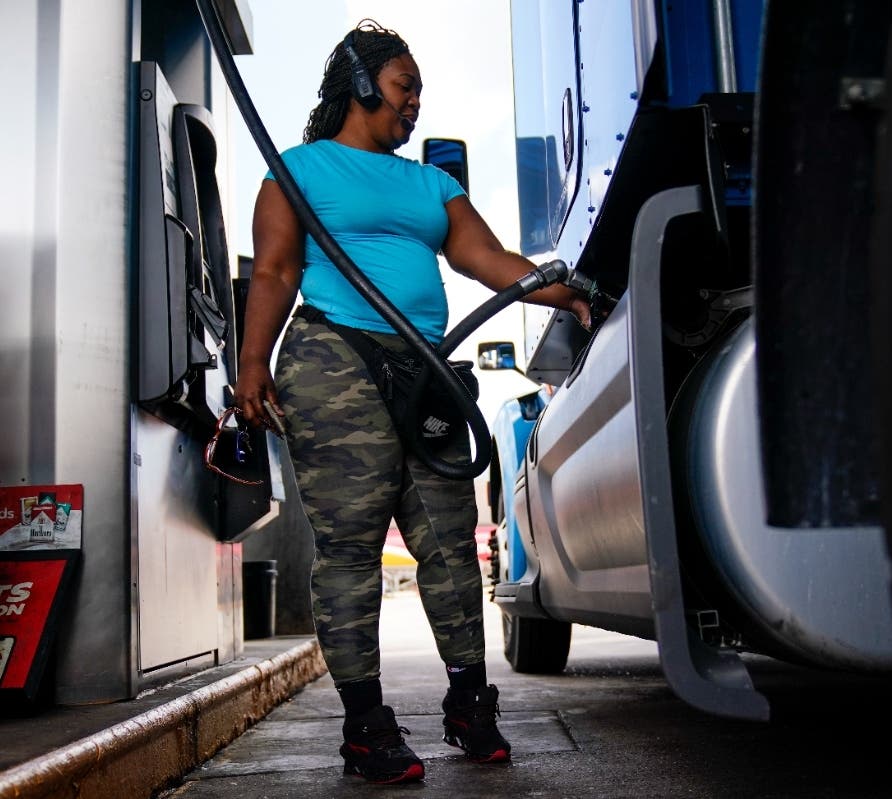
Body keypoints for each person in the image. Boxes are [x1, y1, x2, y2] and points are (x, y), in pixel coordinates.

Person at [233, 20, 591, 785]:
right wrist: (251, 363)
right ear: (361, 86)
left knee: (450, 542)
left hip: (424, 370)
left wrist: (574, 294)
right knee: (353, 546)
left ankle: (469, 704)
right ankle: (365, 725)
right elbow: (274, 271)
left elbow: (488, 259)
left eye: (418, 89)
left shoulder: (434, 182)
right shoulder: (296, 169)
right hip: (334, 357)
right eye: (405, 86)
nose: (415, 103)